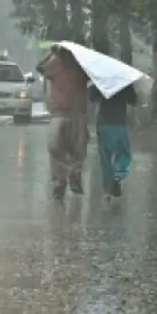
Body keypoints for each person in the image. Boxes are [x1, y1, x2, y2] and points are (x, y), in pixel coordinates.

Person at [36, 45, 89, 199]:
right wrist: (50, 54)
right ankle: (60, 183)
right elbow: (39, 67)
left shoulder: (82, 67)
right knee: (55, 148)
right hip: (59, 113)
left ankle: (74, 178)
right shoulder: (54, 64)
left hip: (77, 113)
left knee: (78, 150)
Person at [90, 83, 137, 197]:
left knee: (105, 157)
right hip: (119, 123)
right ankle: (118, 176)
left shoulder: (101, 80)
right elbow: (134, 101)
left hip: (104, 124)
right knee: (124, 154)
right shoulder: (124, 81)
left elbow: (92, 97)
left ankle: (107, 187)